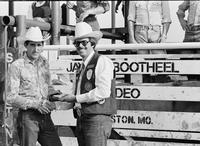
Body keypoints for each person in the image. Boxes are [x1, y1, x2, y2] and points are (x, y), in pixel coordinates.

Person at [52, 22, 117, 146]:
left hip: (96, 119)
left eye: (84, 42)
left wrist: (76, 98)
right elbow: (76, 97)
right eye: (77, 43)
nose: (80, 46)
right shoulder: (82, 67)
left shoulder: (102, 61)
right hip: (83, 118)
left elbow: (103, 92)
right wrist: (59, 101)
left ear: (92, 43)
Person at [7, 27, 62, 146]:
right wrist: (36, 104)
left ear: (42, 46)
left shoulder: (44, 63)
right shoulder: (17, 66)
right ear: (26, 45)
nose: (36, 49)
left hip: (45, 115)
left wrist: (55, 95)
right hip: (28, 117)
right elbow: (10, 97)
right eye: (33, 45)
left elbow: (47, 87)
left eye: (39, 45)